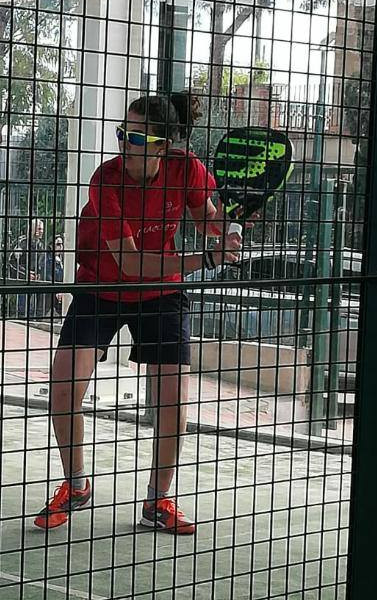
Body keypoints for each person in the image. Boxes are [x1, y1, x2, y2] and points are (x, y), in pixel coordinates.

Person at [33, 91, 242, 534]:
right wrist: (206, 258)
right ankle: (76, 485)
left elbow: (205, 218)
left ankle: (157, 501)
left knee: (173, 399)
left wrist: (224, 228)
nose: (126, 143)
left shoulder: (186, 169)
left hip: (161, 294)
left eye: (138, 137)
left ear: (163, 145)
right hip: (101, 286)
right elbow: (129, 262)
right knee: (63, 387)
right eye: (123, 133)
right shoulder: (106, 180)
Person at [8, 218, 46, 317]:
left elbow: (41, 263)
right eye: (39, 229)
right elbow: (12, 262)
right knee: (22, 310)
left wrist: (38, 274)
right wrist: (26, 274)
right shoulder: (22, 243)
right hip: (21, 281)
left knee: (34, 311)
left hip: (35, 282)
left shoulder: (40, 245)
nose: (41, 231)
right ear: (32, 229)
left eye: (42, 229)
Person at [42, 234, 65, 317]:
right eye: (58, 244)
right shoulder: (46, 259)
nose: (61, 246)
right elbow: (48, 276)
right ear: (51, 246)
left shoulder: (63, 258)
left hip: (61, 290)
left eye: (62, 244)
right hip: (49, 293)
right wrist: (57, 290)